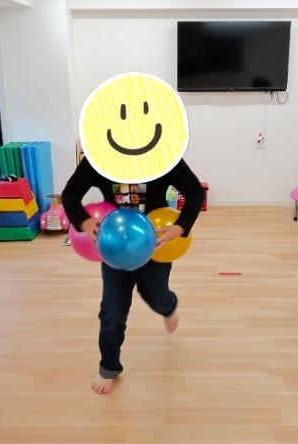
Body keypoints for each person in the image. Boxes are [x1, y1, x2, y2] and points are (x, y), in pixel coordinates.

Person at [62, 158, 204, 394]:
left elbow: (195, 192)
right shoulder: (100, 156)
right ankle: (109, 367)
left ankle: (168, 307)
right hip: (115, 248)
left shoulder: (163, 155)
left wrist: (180, 226)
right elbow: (70, 194)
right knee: (112, 311)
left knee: (155, 295)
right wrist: (84, 221)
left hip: (155, 245)